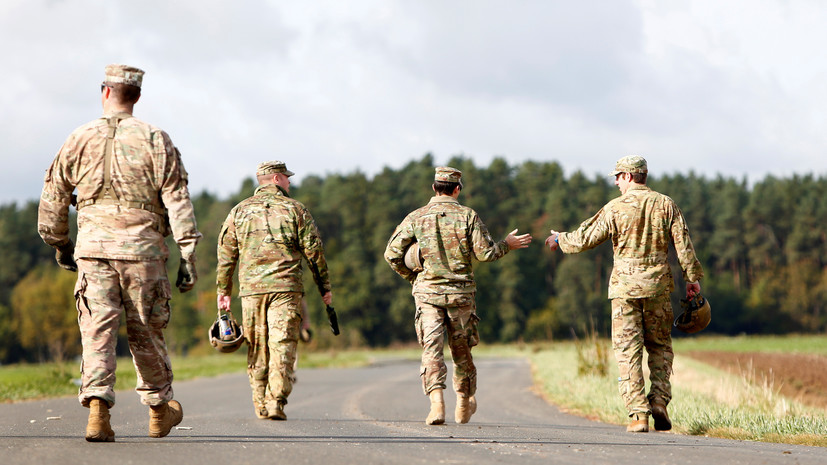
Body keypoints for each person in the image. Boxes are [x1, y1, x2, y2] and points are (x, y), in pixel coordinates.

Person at [37, 64, 201, 442]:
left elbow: (53, 200)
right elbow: (178, 200)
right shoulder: (155, 139)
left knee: (97, 332)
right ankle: (159, 410)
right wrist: (188, 254)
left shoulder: (77, 138)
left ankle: (97, 410)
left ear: (104, 92)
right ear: (137, 96)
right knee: (146, 331)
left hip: (94, 251)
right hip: (144, 252)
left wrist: (61, 243)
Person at [545, 155, 703, 433]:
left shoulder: (615, 208)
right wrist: (692, 280)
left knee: (627, 352)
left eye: (618, 176)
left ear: (630, 176)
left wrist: (560, 239)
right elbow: (684, 245)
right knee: (660, 347)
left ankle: (638, 414)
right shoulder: (667, 205)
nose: (617, 182)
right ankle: (659, 402)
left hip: (624, 291)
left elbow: (585, 238)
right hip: (658, 289)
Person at [384, 166, 532, 425]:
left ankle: (437, 405)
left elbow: (392, 254)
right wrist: (508, 243)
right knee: (461, 350)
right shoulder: (468, 216)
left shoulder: (416, 217)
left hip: (427, 295)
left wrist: (414, 278)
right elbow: (486, 254)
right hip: (461, 296)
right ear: (457, 189)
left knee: (431, 349)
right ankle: (464, 402)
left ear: (434, 188)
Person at [216, 160, 332, 421]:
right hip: (285, 289)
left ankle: (260, 402)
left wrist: (223, 291)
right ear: (278, 178)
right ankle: (276, 401)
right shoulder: (296, 210)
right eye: (287, 178)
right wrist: (324, 287)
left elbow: (225, 255)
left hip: (251, 291)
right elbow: (315, 253)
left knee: (257, 347)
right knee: (282, 345)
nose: (290, 182)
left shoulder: (238, 211)